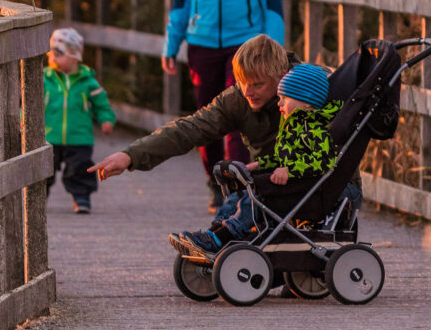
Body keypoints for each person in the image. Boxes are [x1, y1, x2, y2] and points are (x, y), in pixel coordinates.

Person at [162, 0, 285, 211]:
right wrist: (172, 43)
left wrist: (274, 52)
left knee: (240, 114)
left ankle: (238, 186)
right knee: (207, 117)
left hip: (244, 44)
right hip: (201, 42)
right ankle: (216, 183)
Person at [169, 62, 354, 254]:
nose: (279, 103)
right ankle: (215, 232)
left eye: (285, 98)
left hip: (301, 191)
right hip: (290, 187)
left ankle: (222, 237)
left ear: (307, 102)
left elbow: (322, 162)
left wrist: (290, 171)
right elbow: (283, 156)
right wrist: (258, 165)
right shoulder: (294, 126)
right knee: (238, 195)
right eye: (279, 98)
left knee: (253, 198)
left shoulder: (315, 130)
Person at [89, 35, 289, 200]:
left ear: (281, 75)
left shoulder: (312, 90)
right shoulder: (237, 99)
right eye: (242, 82)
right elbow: (190, 129)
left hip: (302, 180)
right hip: (268, 180)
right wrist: (130, 155)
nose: (247, 92)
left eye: (257, 85)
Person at [44, 27, 116, 214]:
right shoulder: (45, 79)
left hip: (79, 137)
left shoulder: (87, 82)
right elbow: (29, 104)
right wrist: (22, 119)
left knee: (80, 169)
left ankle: (82, 197)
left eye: (58, 54)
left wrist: (106, 119)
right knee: (43, 171)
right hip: (49, 135)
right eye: (51, 54)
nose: (52, 59)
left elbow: (101, 104)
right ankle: (37, 201)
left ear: (74, 56)